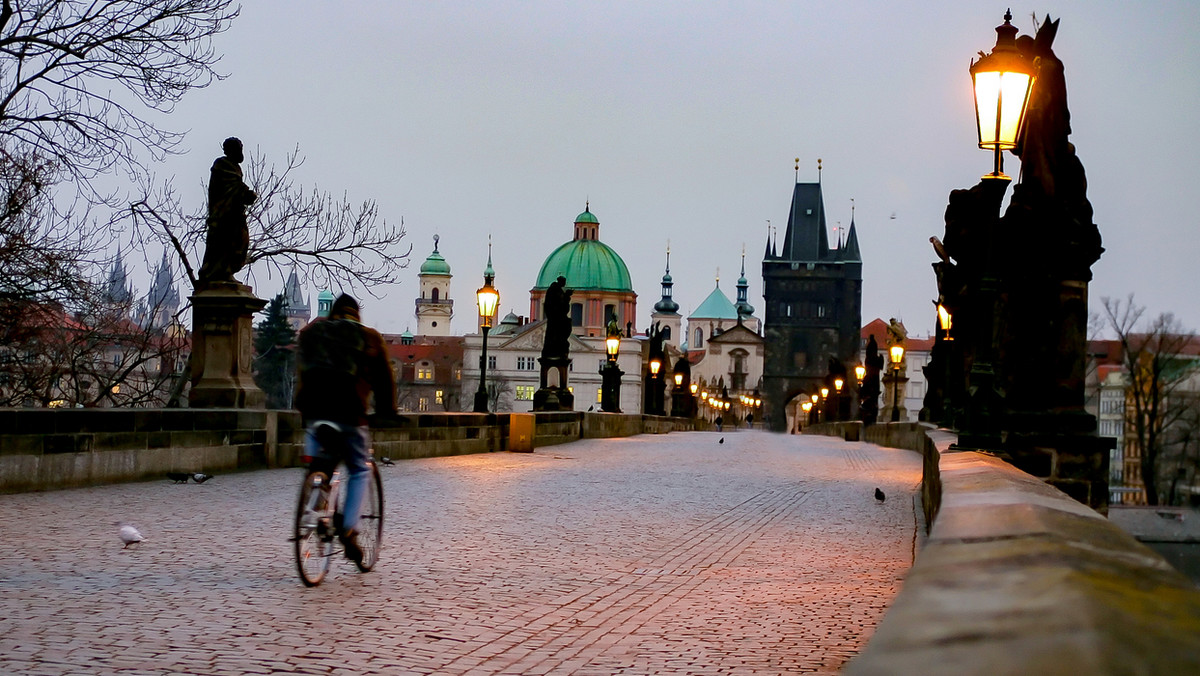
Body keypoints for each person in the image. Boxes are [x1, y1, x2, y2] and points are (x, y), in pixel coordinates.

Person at [295, 294, 395, 564]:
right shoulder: (369, 337)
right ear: (356, 314)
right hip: (350, 414)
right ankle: (349, 529)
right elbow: (384, 381)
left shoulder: (312, 333)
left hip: (313, 412)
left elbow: (302, 371)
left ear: (333, 313)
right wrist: (388, 413)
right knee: (360, 469)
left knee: (317, 464)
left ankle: (315, 501)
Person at [198, 137, 257, 285]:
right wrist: (245, 192)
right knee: (224, 245)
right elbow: (231, 187)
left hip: (235, 214)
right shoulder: (221, 164)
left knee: (241, 242)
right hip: (224, 216)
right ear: (229, 150)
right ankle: (220, 272)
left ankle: (227, 271)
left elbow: (236, 187)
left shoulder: (235, 167)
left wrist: (245, 194)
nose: (240, 152)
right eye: (237, 148)